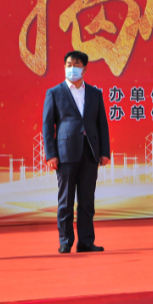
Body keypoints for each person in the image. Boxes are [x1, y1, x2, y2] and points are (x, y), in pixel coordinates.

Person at [42, 51, 112, 253]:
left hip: (90, 151)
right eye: (69, 64)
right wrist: (50, 154)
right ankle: (65, 241)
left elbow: (102, 124)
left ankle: (86, 241)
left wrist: (104, 151)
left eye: (76, 64)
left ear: (85, 68)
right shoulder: (55, 93)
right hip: (65, 153)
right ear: (64, 67)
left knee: (87, 201)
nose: (72, 67)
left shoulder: (94, 93)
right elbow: (48, 126)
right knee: (65, 201)